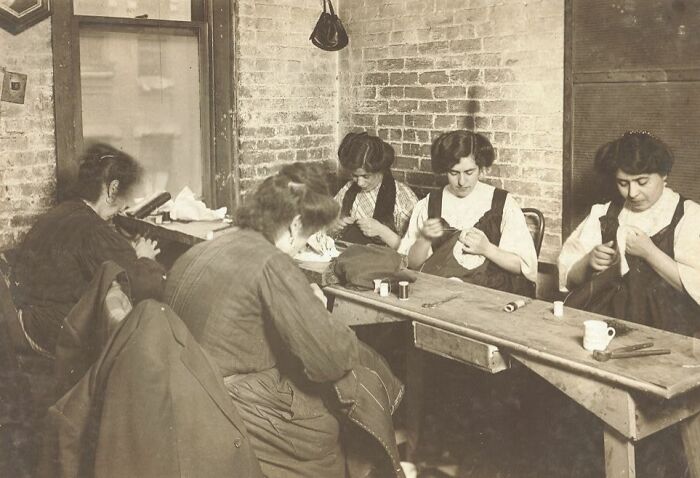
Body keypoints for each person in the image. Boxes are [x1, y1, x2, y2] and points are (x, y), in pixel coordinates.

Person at [164, 163, 402, 478]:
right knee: (346, 384)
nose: (303, 244)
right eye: (306, 237)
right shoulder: (272, 263)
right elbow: (331, 359)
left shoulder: (204, 249)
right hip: (237, 404)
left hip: (184, 392)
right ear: (294, 225)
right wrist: (317, 308)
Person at [10, 143, 163, 356]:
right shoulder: (93, 230)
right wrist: (145, 258)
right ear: (113, 189)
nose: (122, 208)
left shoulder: (62, 212)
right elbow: (142, 286)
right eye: (124, 198)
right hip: (51, 331)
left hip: (23, 323)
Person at [559, 131, 700, 336]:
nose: (632, 193)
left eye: (642, 182)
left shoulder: (689, 216)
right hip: (605, 321)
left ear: (664, 175)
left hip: (668, 329)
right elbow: (568, 277)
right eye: (623, 183)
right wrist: (588, 262)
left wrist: (650, 253)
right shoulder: (604, 212)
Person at [399, 130, 537, 296]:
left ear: (481, 169)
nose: (461, 182)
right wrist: (424, 239)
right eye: (454, 173)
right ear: (445, 170)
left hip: (489, 296)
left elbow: (522, 267)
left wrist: (487, 249)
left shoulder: (503, 203)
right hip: (441, 293)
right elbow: (412, 264)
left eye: (469, 172)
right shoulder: (430, 204)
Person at [332, 132, 418, 248]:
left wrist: (383, 232)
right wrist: (334, 225)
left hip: (384, 262)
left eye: (366, 176)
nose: (359, 183)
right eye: (355, 175)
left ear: (381, 170)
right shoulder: (348, 188)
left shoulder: (403, 197)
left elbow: (415, 253)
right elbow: (325, 226)